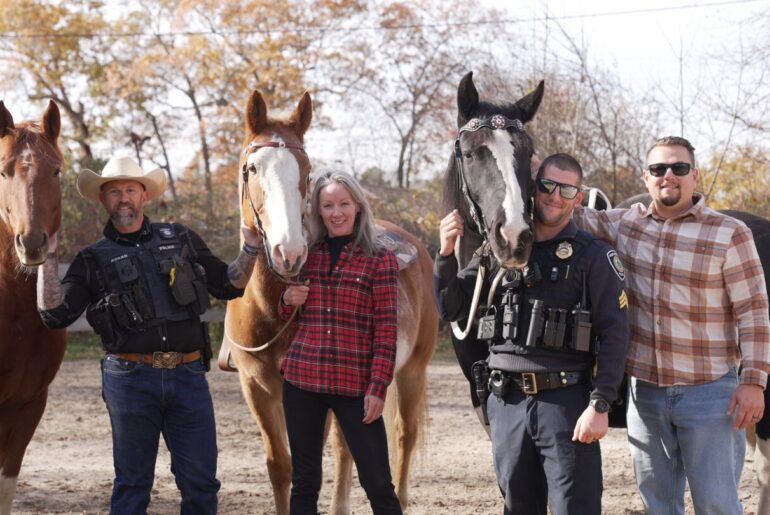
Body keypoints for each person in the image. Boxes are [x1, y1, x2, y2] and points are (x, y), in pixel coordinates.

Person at [36, 155, 261, 514]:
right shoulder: (91, 259)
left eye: (130, 190)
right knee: (132, 484)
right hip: (129, 379)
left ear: (144, 196)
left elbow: (229, 283)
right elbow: (54, 314)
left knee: (201, 482)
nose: (123, 198)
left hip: (188, 376)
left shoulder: (182, 237)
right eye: (114, 192)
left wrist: (251, 247)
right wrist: (47, 258)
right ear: (103, 199)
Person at [573, 136, 770, 514]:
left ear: (695, 176)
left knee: (717, 505)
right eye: (659, 168)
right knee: (658, 504)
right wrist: (532, 177)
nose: (669, 176)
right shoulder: (626, 225)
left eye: (679, 168)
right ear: (645, 178)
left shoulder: (729, 233)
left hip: (710, 395)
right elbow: (566, 213)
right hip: (645, 396)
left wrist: (753, 381)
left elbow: (754, 312)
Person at [435, 153, 630, 514]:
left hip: (566, 403)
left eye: (566, 188)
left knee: (577, 507)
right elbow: (453, 309)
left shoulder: (593, 258)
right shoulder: (499, 251)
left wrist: (600, 403)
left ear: (578, 195)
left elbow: (616, 336)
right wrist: (445, 254)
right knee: (518, 506)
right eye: (547, 185)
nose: (555, 195)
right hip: (506, 402)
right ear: (534, 187)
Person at [279, 170, 402, 515]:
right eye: (328, 205)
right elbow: (283, 315)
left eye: (343, 204)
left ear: (358, 207)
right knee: (304, 481)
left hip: (355, 386)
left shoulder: (381, 259)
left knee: (378, 481)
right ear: (318, 211)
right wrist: (287, 299)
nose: (336, 212)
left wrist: (378, 387)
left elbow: (386, 330)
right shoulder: (306, 256)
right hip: (302, 380)